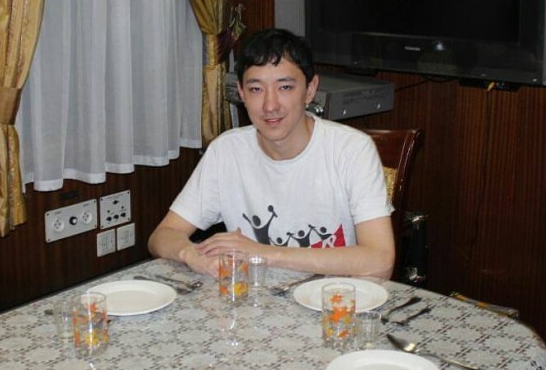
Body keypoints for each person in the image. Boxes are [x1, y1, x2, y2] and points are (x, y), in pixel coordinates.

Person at [148, 28, 395, 278]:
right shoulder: (226, 151)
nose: (270, 105)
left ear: (310, 90)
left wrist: (263, 254)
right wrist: (192, 255)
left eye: (285, 87)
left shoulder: (352, 150)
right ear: (241, 93)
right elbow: (162, 236)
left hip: (330, 296)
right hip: (253, 295)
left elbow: (380, 260)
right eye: (256, 89)